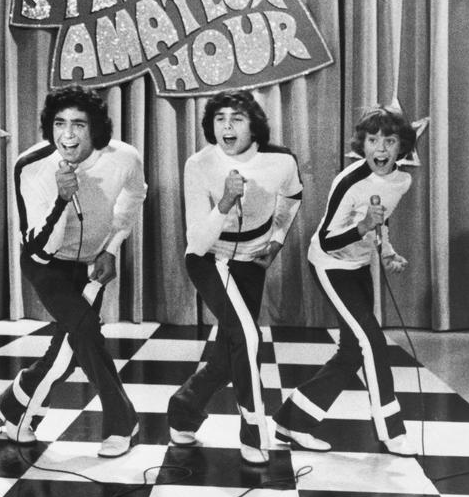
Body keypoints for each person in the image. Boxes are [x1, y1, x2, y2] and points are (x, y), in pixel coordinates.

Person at [0, 85, 147, 459]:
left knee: (66, 351)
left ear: (95, 129)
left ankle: (11, 408)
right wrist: (62, 200)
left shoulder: (124, 157)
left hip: (91, 262)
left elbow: (136, 193)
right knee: (85, 333)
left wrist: (112, 247)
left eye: (79, 124)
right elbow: (37, 246)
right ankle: (122, 421)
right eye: (60, 123)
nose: (68, 134)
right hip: (45, 263)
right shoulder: (30, 165)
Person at [273, 105, 419, 456]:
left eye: (389, 140)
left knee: (353, 351)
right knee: (372, 342)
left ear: (402, 148)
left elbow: (381, 222)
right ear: (361, 144)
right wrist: (362, 227)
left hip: (358, 265)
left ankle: (292, 420)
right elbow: (326, 239)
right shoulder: (349, 181)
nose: (380, 149)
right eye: (372, 140)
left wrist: (387, 252)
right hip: (329, 264)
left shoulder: (402, 180)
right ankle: (391, 431)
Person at [167, 91, 302, 466]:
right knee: (246, 336)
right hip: (208, 258)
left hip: (250, 262)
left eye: (237, 118)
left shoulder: (281, 161)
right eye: (220, 118)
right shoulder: (199, 163)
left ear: (253, 124)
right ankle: (254, 430)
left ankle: (183, 409)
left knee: (231, 350)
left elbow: (292, 198)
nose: (227, 125)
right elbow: (196, 240)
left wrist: (276, 242)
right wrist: (225, 202)